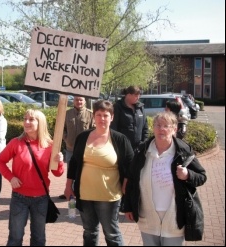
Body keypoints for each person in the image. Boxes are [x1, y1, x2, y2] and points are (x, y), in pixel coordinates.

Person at [124, 111, 207, 246]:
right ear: (153, 128)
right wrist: (128, 207)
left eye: (166, 126)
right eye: (157, 125)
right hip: (148, 218)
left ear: (174, 129)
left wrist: (187, 175)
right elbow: (132, 180)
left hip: (174, 219)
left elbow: (202, 176)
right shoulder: (142, 151)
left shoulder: (183, 151)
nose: (161, 129)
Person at [64, 100, 134, 246]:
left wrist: (126, 184)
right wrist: (68, 185)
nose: (102, 118)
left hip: (109, 196)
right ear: (93, 117)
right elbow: (75, 163)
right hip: (85, 194)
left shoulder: (120, 139)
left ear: (112, 117)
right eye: (98, 115)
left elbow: (130, 165)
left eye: (106, 115)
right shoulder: (83, 137)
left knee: (111, 233)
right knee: (89, 231)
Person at [0, 109, 64, 246]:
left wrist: (60, 161)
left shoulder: (50, 146)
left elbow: (57, 173)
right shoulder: (16, 142)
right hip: (19, 197)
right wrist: (11, 177)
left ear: (41, 123)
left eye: (31, 119)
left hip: (41, 198)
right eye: (25, 118)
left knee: (38, 238)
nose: (26, 122)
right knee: (15, 237)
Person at [59, 95, 94, 199]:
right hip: (70, 148)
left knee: (84, 171)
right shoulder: (67, 114)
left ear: (84, 101)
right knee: (71, 171)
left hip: (85, 149)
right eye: (76, 100)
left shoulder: (90, 114)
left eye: (81, 100)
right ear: (73, 101)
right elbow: (62, 128)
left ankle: (82, 193)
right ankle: (70, 191)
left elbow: (94, 130)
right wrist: (66, 139)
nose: (78, 102)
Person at [110, 85, 148, 151]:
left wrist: (144, 142)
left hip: (139, 147)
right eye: (136, 96)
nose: (138, 98)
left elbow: (145, 126)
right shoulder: (118, 107)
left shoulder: (140, 107)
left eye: (139, 96)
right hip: (123, 147)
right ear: (129, 95)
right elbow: (113, 127)